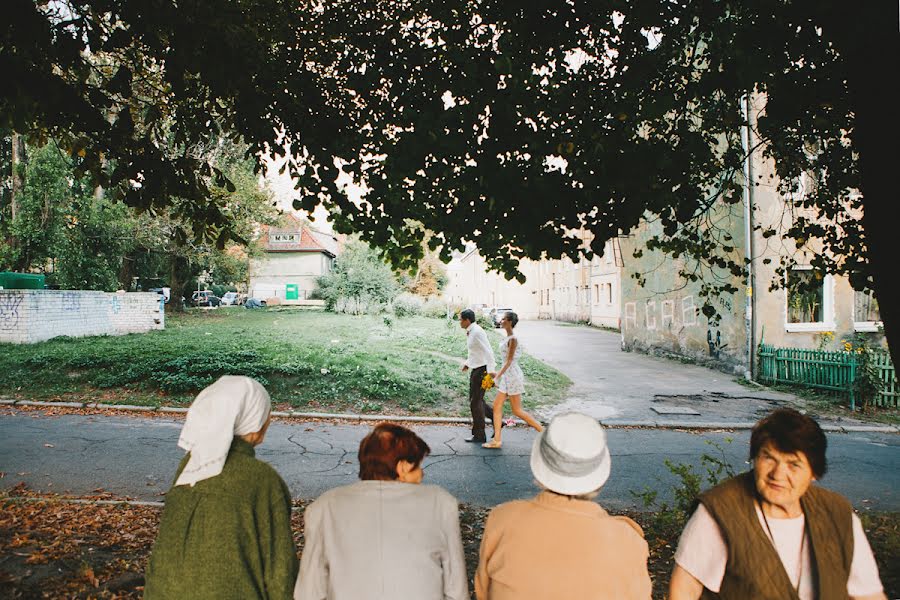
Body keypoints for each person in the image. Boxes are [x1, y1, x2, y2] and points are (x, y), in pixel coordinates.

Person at [669, 408, 886, 600]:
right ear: (755, 458)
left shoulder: (838, 513)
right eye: (768, 457)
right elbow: (684, 591)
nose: (778, 474)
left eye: (794, 464)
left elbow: (868, 594)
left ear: (814, 472)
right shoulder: (718, 510)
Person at [144, 376, 297, 600]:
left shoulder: (190, 466)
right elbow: (279, 570)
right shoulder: (262, 481)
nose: (268, 421)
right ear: (253, 421)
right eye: (266, 414)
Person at [475, 412, 652, 600]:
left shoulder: (503, 520)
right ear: (598, 475)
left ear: (540, 464)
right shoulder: (627, 541)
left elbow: (483, 591)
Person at [294, 423, 469, 600]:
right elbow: (456, 590)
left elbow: (309, 591)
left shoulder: (324, 507)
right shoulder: (440, 502)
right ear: (403, 467)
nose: (421, 474)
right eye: (418, 466)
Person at [482, 311, 542, 449]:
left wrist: (497, 376)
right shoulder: (507, 338)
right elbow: (506, 362)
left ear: (509, 322)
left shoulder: (513, 339)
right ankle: (497, 440)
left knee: (517, 411)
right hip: (507, 376)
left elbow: (509, 361)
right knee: (497, 407)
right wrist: (496, 374)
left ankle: (543, 432)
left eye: (503, 319)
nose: (501, 321)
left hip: (512, 376)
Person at [459, 308, 496, 443]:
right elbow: (476, 352)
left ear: (467, 320)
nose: (459, 322)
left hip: (482, 370)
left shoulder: (477, 332)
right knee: (477, 400)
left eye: (460, 319)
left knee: (475, 402)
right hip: (476, 368)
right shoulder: (472, 331)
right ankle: (498, 420)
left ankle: (479, 435)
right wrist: (468, 363)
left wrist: (491, 371)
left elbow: (488, 351)